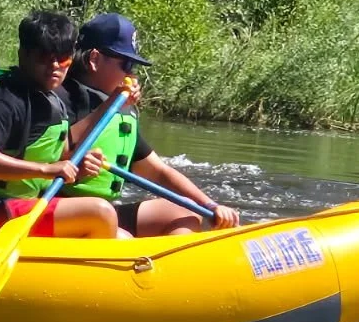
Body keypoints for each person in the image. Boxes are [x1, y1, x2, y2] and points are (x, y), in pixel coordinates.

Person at [0, 9, 119, 238]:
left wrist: (77, 164)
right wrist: (46, 170)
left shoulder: (49, 96)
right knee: (99, 212)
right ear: (23, 54)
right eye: (44, 57)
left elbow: (51, 153)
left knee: (120, 235)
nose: (54, 66)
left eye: (62, 58)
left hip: (16, 206)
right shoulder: (1, 99)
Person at [60, 13, 239, 235]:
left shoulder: (121, 113)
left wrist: (209, 205)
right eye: (126, 64)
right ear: (94, 60)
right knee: (121, 237)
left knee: (183, 213)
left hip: (103, 213)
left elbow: (158, 172)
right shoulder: (61, 99)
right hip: (61, 214)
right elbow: (51, 154)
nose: (132, 74)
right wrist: (113, 103)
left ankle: (175, 266)